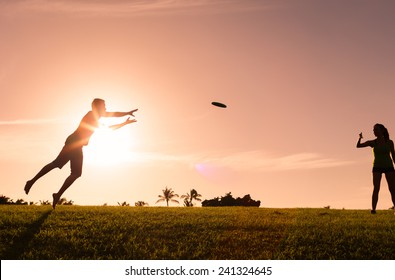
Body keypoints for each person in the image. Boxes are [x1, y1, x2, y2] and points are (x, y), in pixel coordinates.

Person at [24, 98, 138, 209]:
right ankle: (32, 182)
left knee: (75, 173)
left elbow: (113, 116)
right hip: (73, 144)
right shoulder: (91, 115)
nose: (106, 108)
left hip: (78, 146)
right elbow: (111, 120)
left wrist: (125, 119)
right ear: (97, 107)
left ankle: (57, 194)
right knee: (56, 164)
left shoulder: (97, 118)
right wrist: (125, 119)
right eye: (104, 106)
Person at [357, 123, 395, 214]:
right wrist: (360, 138)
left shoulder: (390, 142)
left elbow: (394, 156)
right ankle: (373, 209)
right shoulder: (373, 142)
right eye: (374, 130)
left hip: (389, 167)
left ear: (382, 131)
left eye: (376, 129)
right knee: (376, 188)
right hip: (377, 167)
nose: (374, 131)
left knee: (392, 188)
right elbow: (358, 146)